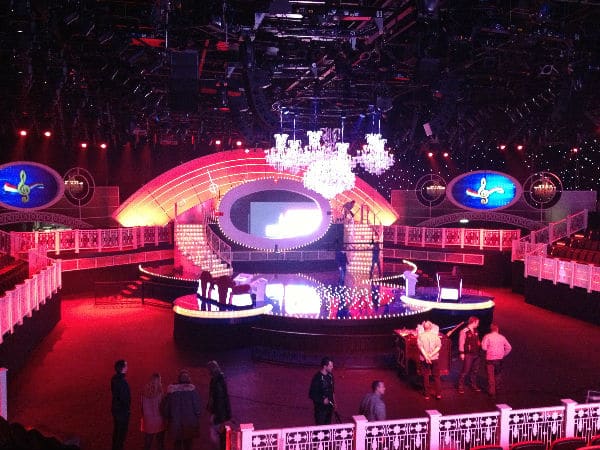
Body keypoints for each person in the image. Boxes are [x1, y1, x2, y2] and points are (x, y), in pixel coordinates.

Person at [163, 369, 201, 450]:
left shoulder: (172, 391)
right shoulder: (192, 390)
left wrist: (167, 417)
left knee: (177, 444)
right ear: (188, 379)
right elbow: (197, 407)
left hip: (175, 422)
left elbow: (167, 407)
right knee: (188, 444)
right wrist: (198, 415)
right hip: (189, 422)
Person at [481, 324, 512, 397]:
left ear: (491, 330)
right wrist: (503, 354)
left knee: (490, 375)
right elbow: (509, 347)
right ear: (497, 329)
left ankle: (492, 391)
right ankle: (497, 388)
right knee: (498, 374)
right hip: (499, 359)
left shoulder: (487, 336)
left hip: (490, 359)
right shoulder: (502, 337)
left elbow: (484, 348)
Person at [207, 361, 232, 450]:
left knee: (218, 439)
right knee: (220, 439)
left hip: (219, 416)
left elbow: (219, 399)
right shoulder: (219, 379)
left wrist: (220, 418)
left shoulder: (217, 381)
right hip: (220, 415)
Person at [417, 321, 442, 400]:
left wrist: (426, 357)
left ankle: (427, 395)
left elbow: (420, 348)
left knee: (425, 376)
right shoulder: (435, 336)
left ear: (423, 327)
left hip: (424, 359)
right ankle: (438, 394)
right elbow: (438, 347)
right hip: (434, 359)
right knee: (436, 376)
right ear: (431, 327)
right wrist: (430, 356)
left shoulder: (420, 336)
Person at [141, 372, 166, 450]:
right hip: (159, 418)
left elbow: (141, 405)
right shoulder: (160, 390)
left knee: (148, 440)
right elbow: (163, 405)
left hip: (148, 418)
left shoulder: (144, 390)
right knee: (160, 441)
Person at [458, 316, 482, 394]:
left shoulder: (476, 330)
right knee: (465, 370)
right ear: (473, 322)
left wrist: (480, 345)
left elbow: (477, 340)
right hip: (468, 354)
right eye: (477, 323)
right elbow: (461, 342)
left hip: (476, 354)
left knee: (475, 371)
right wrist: (462, 353)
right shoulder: (464, 331)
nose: (478, 324)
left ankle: (473, 385)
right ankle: (460, 386)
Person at [308, 357, 335, 425]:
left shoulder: (330, 376)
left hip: (329, 408)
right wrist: (322, 400)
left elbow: (332, 390)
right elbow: (311, 394)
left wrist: (334, 402)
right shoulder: (317, 378)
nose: (332, 367)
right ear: (325, 366)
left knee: (328, 425)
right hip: (320, 410)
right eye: (330, 366)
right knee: (320, 427)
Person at [111, 359, 131, 450]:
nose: (127, 367)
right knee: (121, 434)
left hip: (116, 409)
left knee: (117, 431)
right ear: (122, 368)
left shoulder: (114, 379)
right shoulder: (122, 382)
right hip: (122, 412)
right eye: (126, 365)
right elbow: (124, 399)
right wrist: (127, 410)